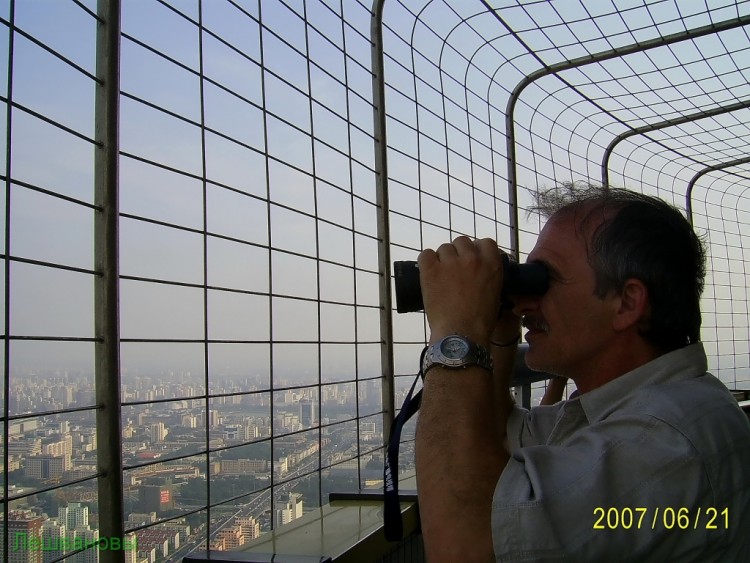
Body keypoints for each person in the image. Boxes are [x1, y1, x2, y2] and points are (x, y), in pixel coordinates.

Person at [415, 183, 750, 561]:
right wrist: (496, 335)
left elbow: (464, 547)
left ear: (626, 303)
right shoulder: (638, 409)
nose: (524, 302)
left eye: (544, 279)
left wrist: (455, 332)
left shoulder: (664, 443)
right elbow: (491, 436)